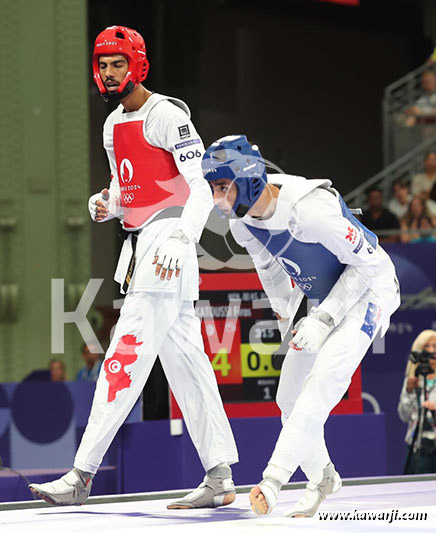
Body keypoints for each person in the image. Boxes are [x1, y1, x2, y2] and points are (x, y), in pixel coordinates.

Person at [29, 26, 238, 509]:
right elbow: (129, 190)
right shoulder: (111, 125)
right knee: (188, 365)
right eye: (103, 64)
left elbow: (201, 186)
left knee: (123, 355)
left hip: (169, 245)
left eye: (117, 64)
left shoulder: (168, 116)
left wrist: (184, 238)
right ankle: (220, 476)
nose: (108, 73)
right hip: (142, 243)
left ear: (137, 65)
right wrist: (108, 204)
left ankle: (81, 475)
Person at [202, 135, 400, 518]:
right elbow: (268, 264)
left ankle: (272, 481)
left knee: (322, 382)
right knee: (288, 399)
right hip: (323, 297)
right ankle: (323, 476)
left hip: (371, 290)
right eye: (212, 188)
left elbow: (370, 264)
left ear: (248, 179)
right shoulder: (242, 224)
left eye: (222, 187)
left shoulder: (311, 211)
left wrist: (324, 319)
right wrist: (283, 311)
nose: (216, 198)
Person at [398, 330, 436, 474]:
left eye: (435, 346)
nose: (431, 351)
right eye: (426, 346)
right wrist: (409, 392)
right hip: (419, 445)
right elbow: (404, 416)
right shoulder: (412, 379)